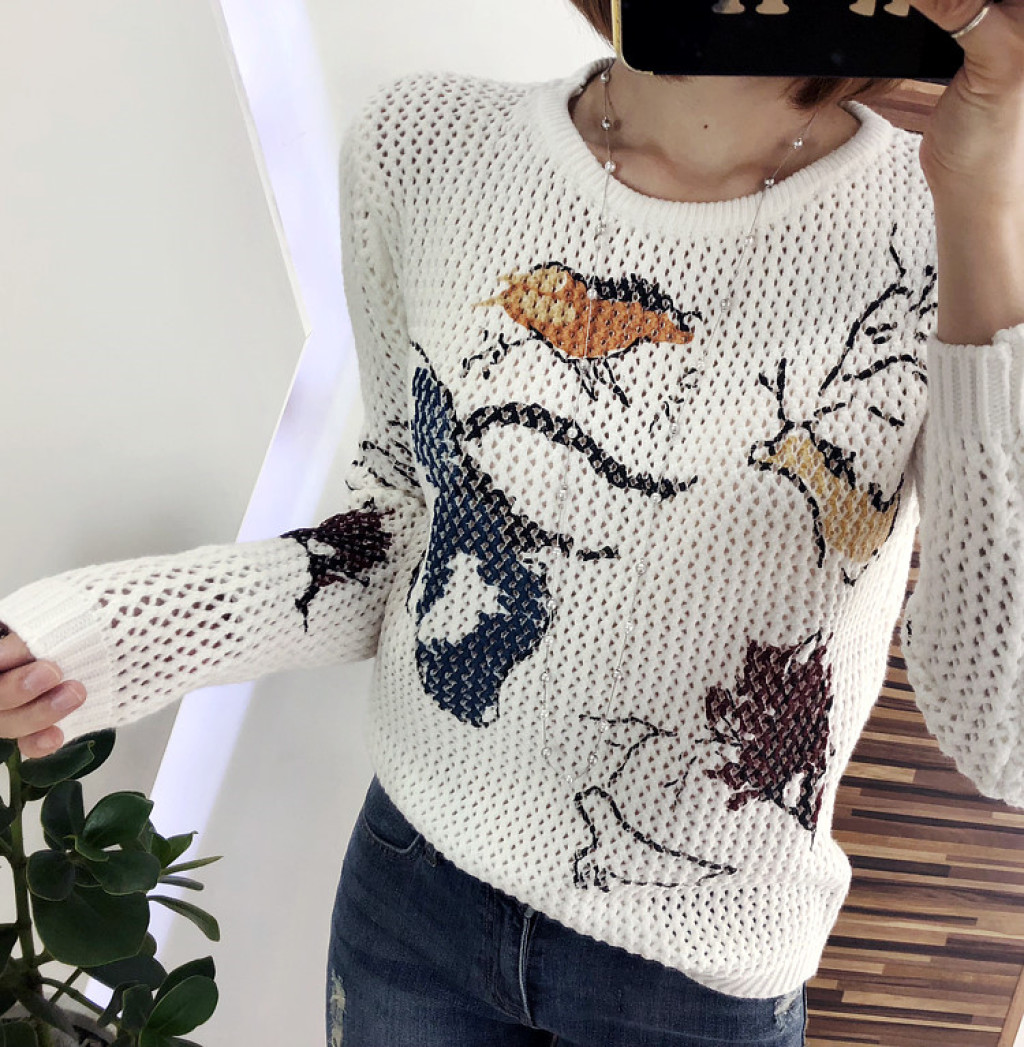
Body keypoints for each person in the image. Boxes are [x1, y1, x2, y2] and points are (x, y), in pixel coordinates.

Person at [2, 1, 1023, 1044]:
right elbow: (399, 534)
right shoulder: (426, 148)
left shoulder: (948, 227)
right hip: (414, 896)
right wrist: (101, 634)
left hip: (694, 985)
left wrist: (985, 186)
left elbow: (1008, 738)